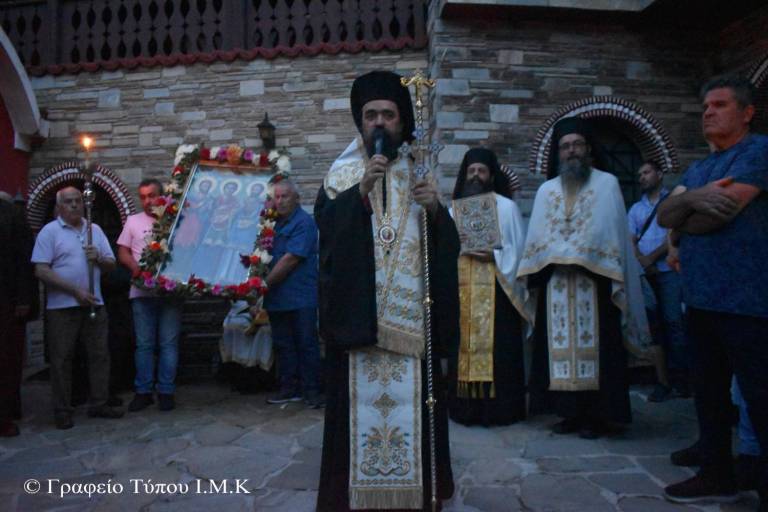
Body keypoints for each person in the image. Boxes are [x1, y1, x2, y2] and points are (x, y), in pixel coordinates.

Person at [313, 70, 460, 511]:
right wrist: (359, 192)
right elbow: (326, 237)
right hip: (359, 325)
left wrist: (436, 212)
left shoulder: (420, 172)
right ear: (360, 121)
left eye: (388, 115)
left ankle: (416, 495)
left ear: (403, 121)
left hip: (414, 326)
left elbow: (448, 246)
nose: (379, 123)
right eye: (370, 114)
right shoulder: (340, 174)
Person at [658, 75, 768, 508]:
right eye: (706, 105)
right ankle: (716, 473)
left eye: (719, 104)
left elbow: (713, 219)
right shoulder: (701, 168)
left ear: (746, 112)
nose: (708, 112)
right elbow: (666, 214)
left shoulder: (759, 152)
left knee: (760, 398)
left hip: (749, 299)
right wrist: (696, 198)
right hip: (700, 298)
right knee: (708, 395)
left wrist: (687, 211)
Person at [516, 117, 651, 439]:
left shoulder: (607, 183)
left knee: (602, 351)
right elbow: (538, 236)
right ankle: (569, 413)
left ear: (589, 149)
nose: (571, 151)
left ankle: (600, 416)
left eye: (577, 144)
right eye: (565, 146)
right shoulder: (547, 190)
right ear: (557, 153)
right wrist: (552, 259)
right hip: (557, 285)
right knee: (556, 351)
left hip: (597, 283)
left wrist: (582, 256)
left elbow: (609, 232)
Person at [447, 147, 528, 426]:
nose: (476, 176)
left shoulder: (507, 208)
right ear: (464, 175)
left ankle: (501, 410)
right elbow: (444, 251)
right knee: (463, 349)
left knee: (499, 354)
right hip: (463, 294)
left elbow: (519, 253)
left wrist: (494, 255)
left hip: (498, 295)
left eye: (481, 171)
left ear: (491, 176)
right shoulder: (453, 210)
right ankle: (465, 409)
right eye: (471, 171)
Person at [31, 186, 123, 429]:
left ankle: (99, 402)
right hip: (63, 307)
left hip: (94, 303)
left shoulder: (95, 230)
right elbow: (41, 270)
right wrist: (75, 291)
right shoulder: (49, 232)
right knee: (62, 359)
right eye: (68, 202)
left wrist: (99, 259)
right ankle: (62, 409)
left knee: (99, 355)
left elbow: (111, 264)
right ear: (59, 207)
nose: (74, 205)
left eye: (78, 201)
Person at [117, 179, 183, 412]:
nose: (147, 201)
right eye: (143, 197)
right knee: (144, 345)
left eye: (152, 195)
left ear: (162, 196)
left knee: (168, 344)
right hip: (141, 292)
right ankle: (143, 391)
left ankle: (166, 391)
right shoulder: (133, 221)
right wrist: (135, 268)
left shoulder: (175, 220)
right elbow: (123, 250)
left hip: (169, 293)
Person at [256, 179, 323, 408]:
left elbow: (290, 259)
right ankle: (288, 389)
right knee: (283, 345)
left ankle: (312, 391)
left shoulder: (304, 223)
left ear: (296, 198)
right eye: (277, 197)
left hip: (300, 296)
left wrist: (263, 285)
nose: (280, 201)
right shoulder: (269, 224)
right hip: (277, 298)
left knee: (306, 344)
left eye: (285, 196)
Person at [627, 161, 689, 402]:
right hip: (645, 275)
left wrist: (652, 258)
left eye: (646, 172)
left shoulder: (671, 202)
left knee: (674, 322)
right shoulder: (635, 209)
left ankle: (682, 379)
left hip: (667, 270)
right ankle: (662, 382)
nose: (642, 177)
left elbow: (674, 234)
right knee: (654, 328)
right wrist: (642, 262)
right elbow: (630, 239)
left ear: (659, 174)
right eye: (639, 174)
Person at [0, 197, 38, 437]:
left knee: (6, 360)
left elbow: (25, 259)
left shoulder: (10, 214)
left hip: (7, 298)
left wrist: (24, 298)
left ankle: (5, 413)